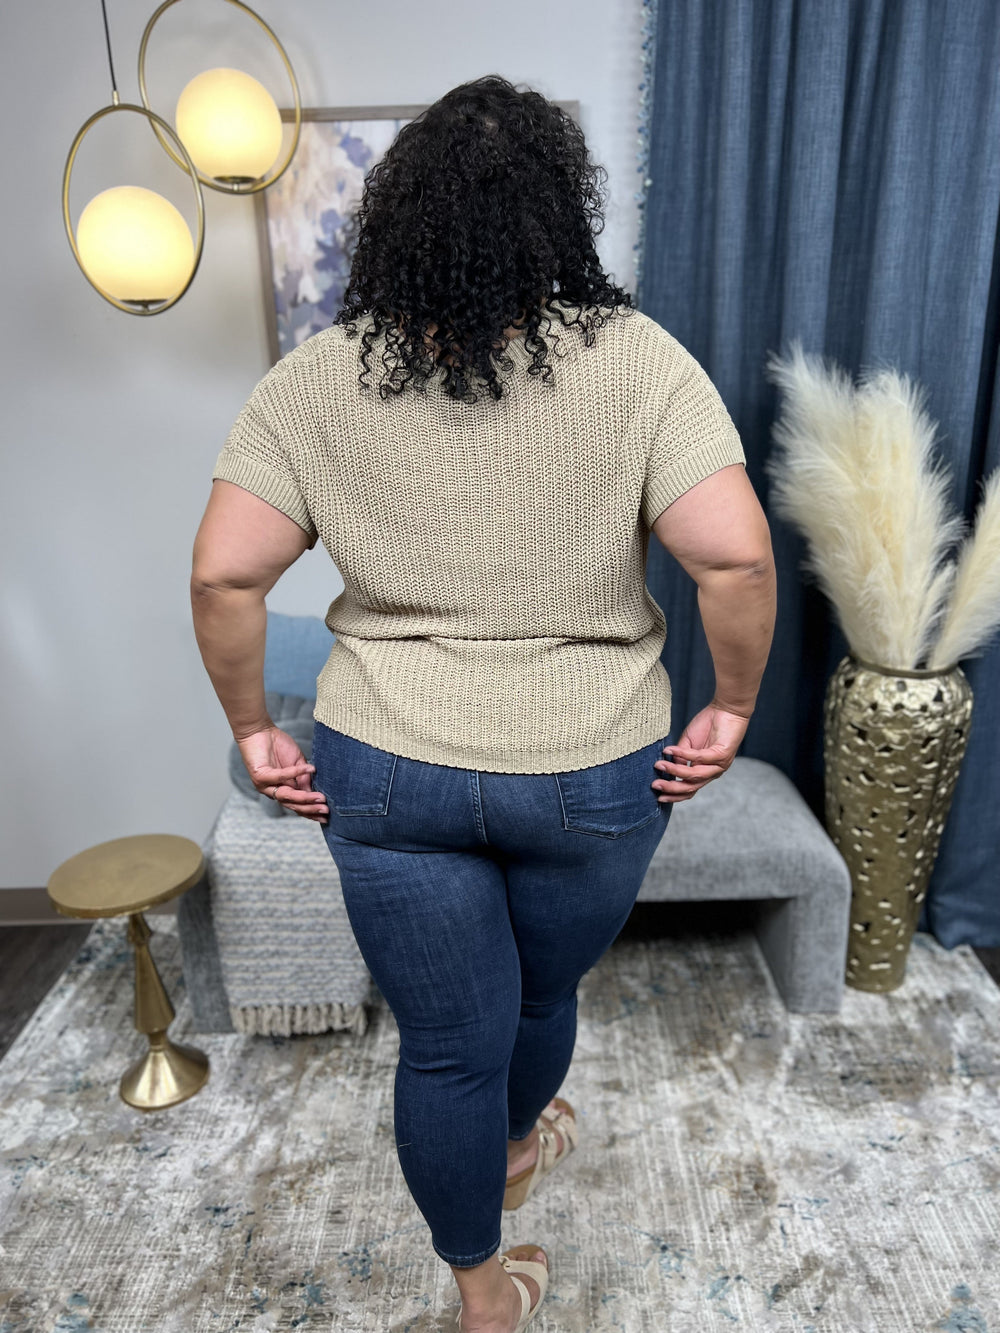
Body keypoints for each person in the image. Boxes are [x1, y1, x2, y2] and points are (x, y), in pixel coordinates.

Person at [190, 74, 776, 1333]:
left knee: (447, 1043)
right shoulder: (639, 363)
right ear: (561, 213)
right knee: (538, 998)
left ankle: (482, 1291)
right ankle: (509, 1149)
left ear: (398, 218)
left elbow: (225, 575)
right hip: (590, 770)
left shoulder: (319, 378)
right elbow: (732, 558)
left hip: (385, 768)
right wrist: (730, 708)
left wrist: (253, 729)